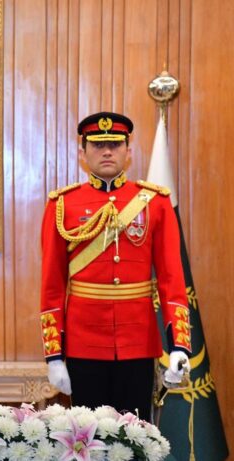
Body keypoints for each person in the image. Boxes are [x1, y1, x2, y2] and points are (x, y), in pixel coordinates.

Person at [40, 111, 192, 419]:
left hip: (138, 342)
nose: (107, 151)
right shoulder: (62, 205)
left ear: (128, 150)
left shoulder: (156, 203)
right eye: (98, 145)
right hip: (83, 344)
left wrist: (180, 345)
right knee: (88, 436)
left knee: (136, 435)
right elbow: (52, 285)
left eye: (115, 144)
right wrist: (54, 356)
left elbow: (172, 279)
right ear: (82, 153)